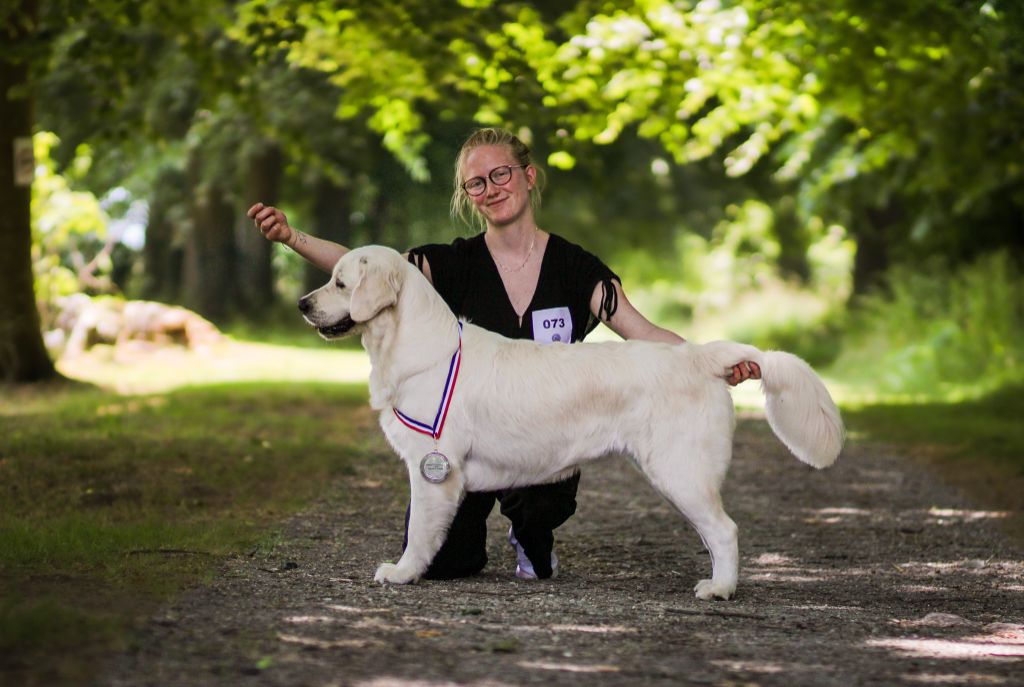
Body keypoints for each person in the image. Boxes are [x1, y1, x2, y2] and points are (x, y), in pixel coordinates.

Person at [248, 127, 760, 581]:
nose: (491, 189)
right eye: (477, 183)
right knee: (446, 564)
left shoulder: (574, 267)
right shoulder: (452, 264)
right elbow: (367, 271)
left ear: (529, 176)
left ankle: (532, 537)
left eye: (501, 174)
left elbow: (642, 332)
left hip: (543, 433)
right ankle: (468, 538)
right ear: (468, 196)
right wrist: (293, 238)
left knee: (542, 495)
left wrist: (708, 362)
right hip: (466, 436)